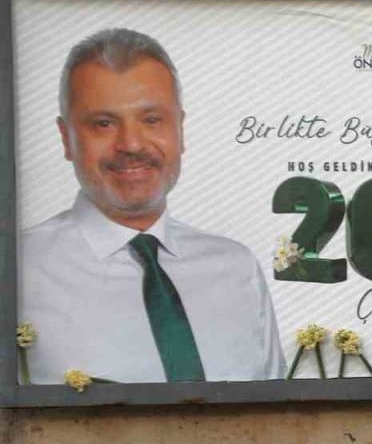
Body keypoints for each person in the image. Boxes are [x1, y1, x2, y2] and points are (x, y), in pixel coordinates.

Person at [19, 28, 285, 383]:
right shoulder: (17, 269)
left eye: (152, 120)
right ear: (66, 138)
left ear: (180, 129)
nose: (130, 143)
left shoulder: (237, 269)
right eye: (103, 123)